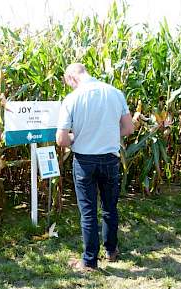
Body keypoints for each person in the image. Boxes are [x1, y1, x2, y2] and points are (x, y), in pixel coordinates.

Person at [56, 63, 134, 271]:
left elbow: (62, 140)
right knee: (110, 207)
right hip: (110, 159)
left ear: (72, 78)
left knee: (88, 211)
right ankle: (111, 251)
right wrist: (105, 133)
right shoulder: (115, 93)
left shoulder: (72, 98)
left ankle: (89, 261)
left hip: (84, 161)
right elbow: (128, 128)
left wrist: (77, 136)